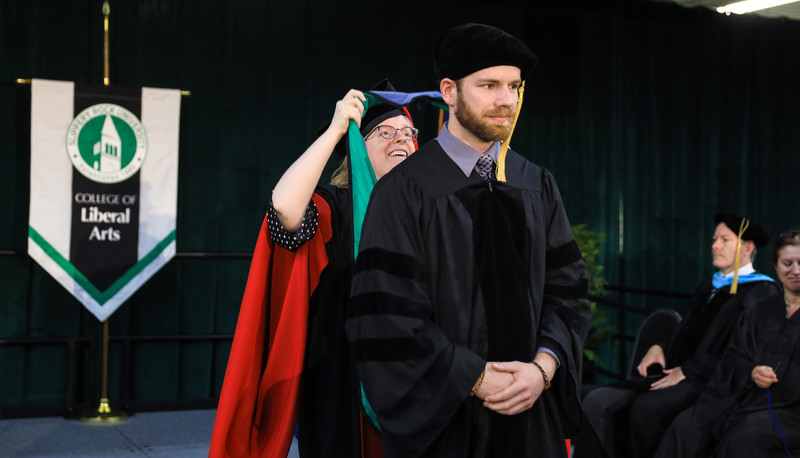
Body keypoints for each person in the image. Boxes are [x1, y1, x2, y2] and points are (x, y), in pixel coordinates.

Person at [345, 23, 592, 458]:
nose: (505, 100)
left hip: (533, 416)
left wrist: (543, 367)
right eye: (489, 85)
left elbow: (568, 292)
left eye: (514, 86)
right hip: (448, 424)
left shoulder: (536, 183)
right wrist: (475, 377)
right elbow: (385, 316)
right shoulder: (404, 191)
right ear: (449, 91)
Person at [209, 81, 420, 458]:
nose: (400, 139)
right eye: (384, 132)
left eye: (407, 132)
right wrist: (338, 128)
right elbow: (286, 213)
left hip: (415, 379)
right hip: (343, 381)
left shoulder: (426, 210)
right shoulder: (334, 206)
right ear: (357, 148)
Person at [579, 213, 780, 458]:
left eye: (725, 240)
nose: (714, 245)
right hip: (677, 374)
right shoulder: (710, 285)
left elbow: (745, 351)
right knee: (593, 400)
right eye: (715, 239)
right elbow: (691, 332)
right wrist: (660, 347)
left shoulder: (761, 292)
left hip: (712, 383)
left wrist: (689, 371)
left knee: (646, 410)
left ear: (747, 247)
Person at [654, 230, 800, 457]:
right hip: (743, 398)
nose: (796, 271)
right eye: (787, 263)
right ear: (776, 266)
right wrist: (752, 372)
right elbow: (733, 356)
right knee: (685, 427)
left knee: (741, 438)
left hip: (791, 411)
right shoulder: (761, 310)